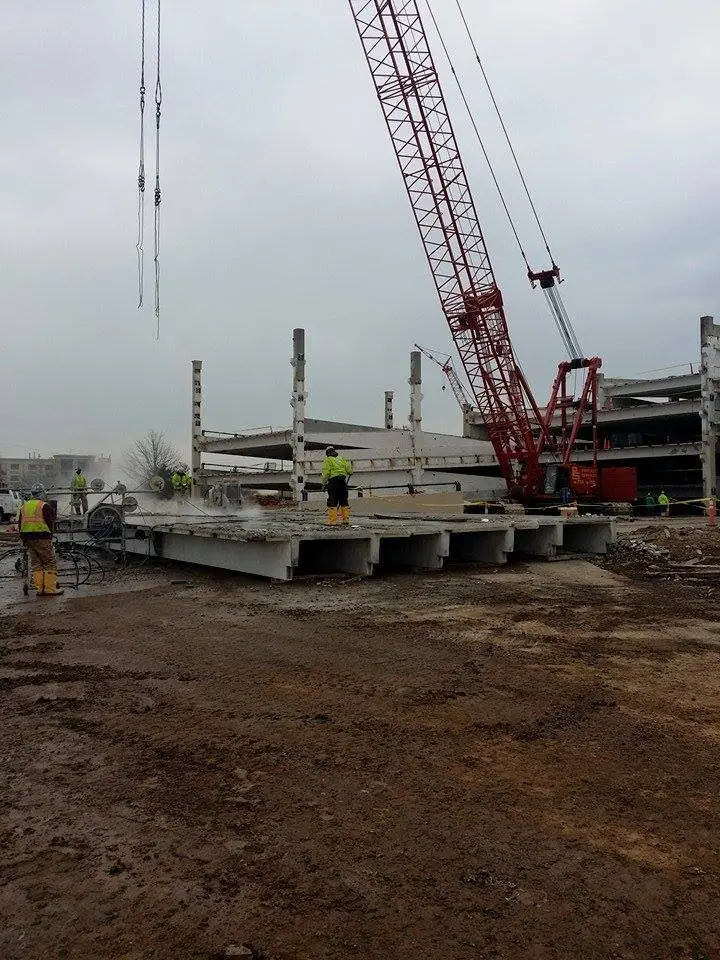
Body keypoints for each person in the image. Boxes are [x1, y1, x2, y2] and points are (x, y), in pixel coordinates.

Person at [19, 485, 63, 596]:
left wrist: (23, 539)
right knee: (49, 562)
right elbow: (50, 522)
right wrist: (51, 536)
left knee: (36, 563)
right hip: (41, 536)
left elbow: (20, 523)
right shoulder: (44, 506)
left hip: (28, 538)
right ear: (41, 493)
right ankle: (49, 588)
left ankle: (40, 589)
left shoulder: (24, 506)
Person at [321, 446, 353, 525]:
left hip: (333, 482)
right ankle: (346, 520)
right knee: (343, 500)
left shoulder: (328, 460)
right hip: (342, 481)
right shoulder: (341, 458)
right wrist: (350, 472)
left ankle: (333, 521)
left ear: (327, 453)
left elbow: (326, 473)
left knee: (332, 500)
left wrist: (323, 483)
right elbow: (349, 470)